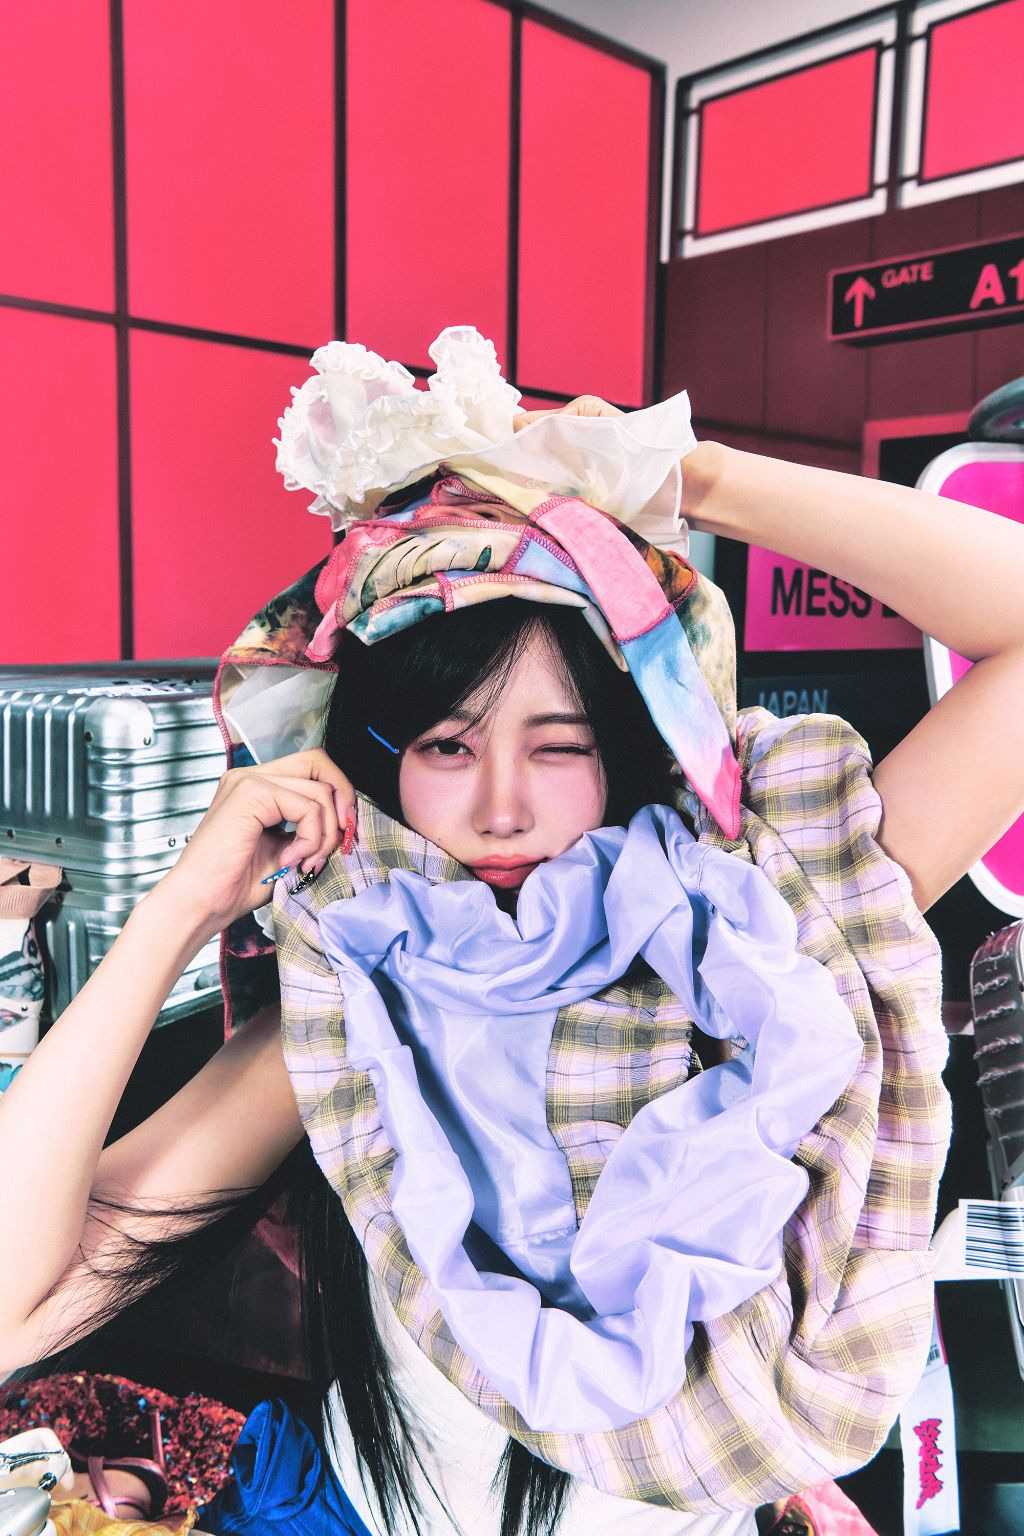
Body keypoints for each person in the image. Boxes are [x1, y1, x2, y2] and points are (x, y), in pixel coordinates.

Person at [1, 327, 1023, 1536]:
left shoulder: (762, 925)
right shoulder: (360, 1004)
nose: (501, 807)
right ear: (377, 761)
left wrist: (677, 475)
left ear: (630, 750)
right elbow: (16, 1306)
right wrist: (179, 909)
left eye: (559, 745)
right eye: (447, 745)